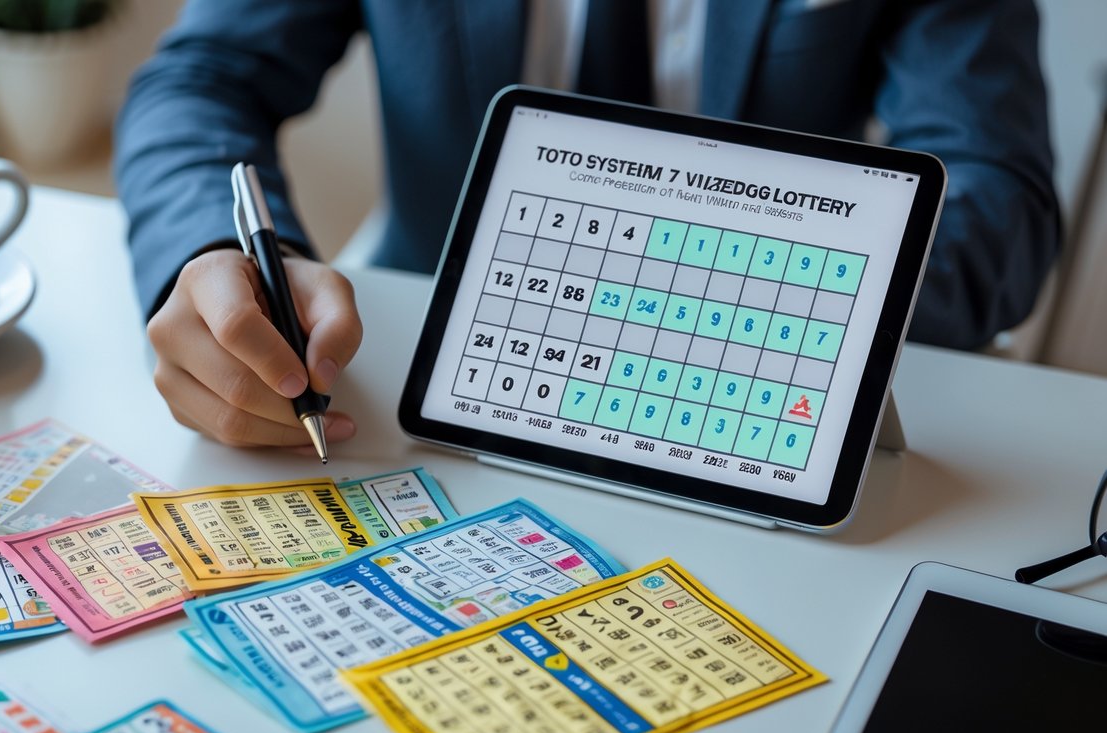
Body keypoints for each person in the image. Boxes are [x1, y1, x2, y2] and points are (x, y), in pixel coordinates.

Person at [115, 0, 1060, 452]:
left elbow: (998, 196)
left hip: (751, 404)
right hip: (429, 379)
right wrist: (217, 251)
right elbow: (201, 80)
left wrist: (787, 298)